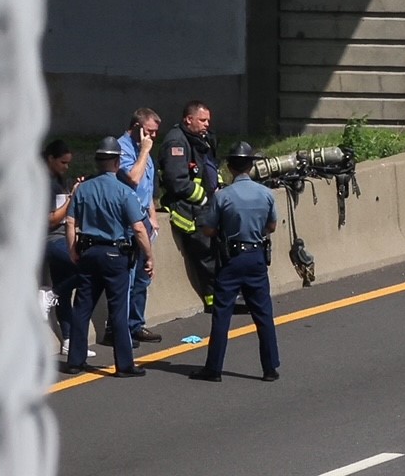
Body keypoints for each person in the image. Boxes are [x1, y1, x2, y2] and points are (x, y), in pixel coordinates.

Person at [192, 141, 281, 382]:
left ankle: (214, 368)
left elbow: (209, 230)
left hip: (231, 258)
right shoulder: (265, 193)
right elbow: (271, 226)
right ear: (251, 166)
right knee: (263, 313)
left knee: (222, 314)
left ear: (230, 168)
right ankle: (270, 367)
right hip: (256, 256)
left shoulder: (223, 196)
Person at [63, 137, 149, 377]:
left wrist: (72, 250)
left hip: (88, 252)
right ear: (117, 162)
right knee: (118, 310)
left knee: (82, 307)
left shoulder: (83, 189)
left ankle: (75, 362)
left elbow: (71, 222)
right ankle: (124, 365)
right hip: (115, 254)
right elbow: (140, 228)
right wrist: (149, 257)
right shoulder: (124, 191)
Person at [157, 99, 222, 313]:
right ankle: (214, 301)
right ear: (188, 119)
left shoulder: (202, 140)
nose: (206, 124)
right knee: (205, 253)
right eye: (202, 120)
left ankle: (225, 293)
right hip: (189, 211)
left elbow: (210, 168)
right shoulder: (176, 142)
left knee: (220, 248)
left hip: (207, 205)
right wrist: (203, 197)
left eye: (208, 121)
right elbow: (177, 182)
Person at [110, 107, 162, 347]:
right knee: (127, 279)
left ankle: (136, 324)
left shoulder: (146, 149)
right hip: (127, 224)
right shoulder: (122, 149)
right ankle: (118, 329)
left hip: (144, 220)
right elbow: (133, 179)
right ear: (137, 128)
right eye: (150, 131)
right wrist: (144, 151)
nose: (153, 136)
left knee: (143, 277)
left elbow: (147, 189)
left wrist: (153, 216)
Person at [42, 139, 81, 347]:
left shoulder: (59, 180)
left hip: (64, 236)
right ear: (50, 159)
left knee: (65, 288)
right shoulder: (43, 183)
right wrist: (71, 199)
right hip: (50, 240)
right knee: (86, 270)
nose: (66, 167)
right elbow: (51, 220)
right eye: (63, 162)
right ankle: (51, 295)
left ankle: (69, 340)